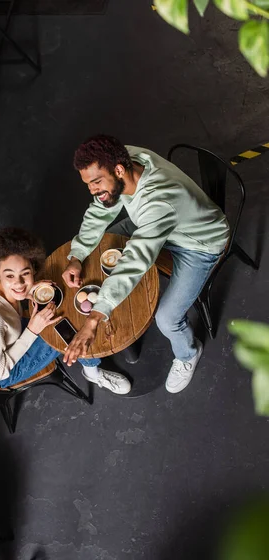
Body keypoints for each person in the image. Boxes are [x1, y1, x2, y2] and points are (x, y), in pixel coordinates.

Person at [62, 135, 229, 393]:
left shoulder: (159, 200)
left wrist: (95, 318)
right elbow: (99, 210)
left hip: (199, 244)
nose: (93, 191)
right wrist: (77, 255)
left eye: (96, 182)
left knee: (166, 318)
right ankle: (115, 293)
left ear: (118, 170)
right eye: (88, 184)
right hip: (159, 223)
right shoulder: (124, 157)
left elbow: (136, 259)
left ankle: (187, 354)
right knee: (109, 241)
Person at [0, 227, 131, 394]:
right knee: (74, 330)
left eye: (25, 273)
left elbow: (14, 290)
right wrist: (32, 330)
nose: (19, 283)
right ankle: (92, 374)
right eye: (10, 276)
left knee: (62, 314)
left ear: (33, 268)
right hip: (2, 368)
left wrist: (29, 291)